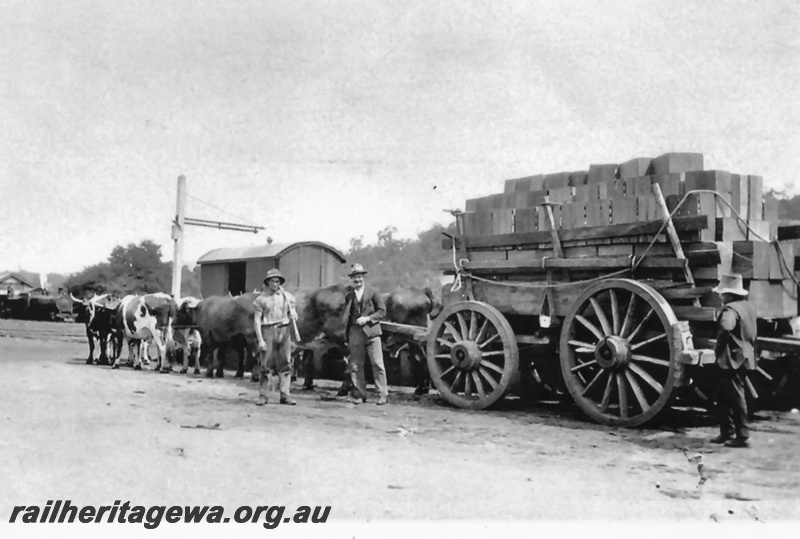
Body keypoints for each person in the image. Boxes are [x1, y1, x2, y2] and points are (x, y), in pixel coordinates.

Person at [710, 273, 757, 448]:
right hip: (745, 354)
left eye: (722, 293)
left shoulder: (730, 309)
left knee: (736, 397)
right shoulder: (748, 307)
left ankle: (743, 436)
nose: (720, 296)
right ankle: (726, 432)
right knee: (722, 395)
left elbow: (726, 327)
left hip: (732, 358)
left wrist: (719, 347)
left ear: (729, 295)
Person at [343, 263, 388, 405]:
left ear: (363, 277)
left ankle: (382, 395)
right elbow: (348, 317)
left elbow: (382, 311)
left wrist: (368, 318)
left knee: (377, 364)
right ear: (352, 279)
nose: (357, 280)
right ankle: (360, 394)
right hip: (355, 334)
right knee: (356, 366)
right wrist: (347, 335)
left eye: (359, 277)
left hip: (372, 333)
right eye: (355, 277)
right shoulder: (349, 296)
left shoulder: (373, 292)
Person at [253, 268, 298, 406]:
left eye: (278, 281)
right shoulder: (261, 299)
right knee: (266, 364)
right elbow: (257, 320)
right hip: (268, 330)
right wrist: (260, 339)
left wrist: (294, 314)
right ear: (267, 282)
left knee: (285, 363)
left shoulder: (288, 297)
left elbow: (293, 313)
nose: (275, 284)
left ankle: (285, 395)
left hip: (284, 330)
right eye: (272, 281)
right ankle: (263, 395)